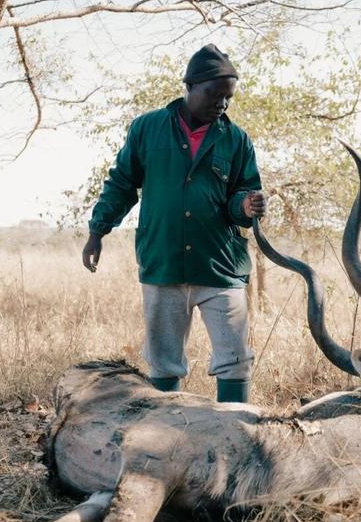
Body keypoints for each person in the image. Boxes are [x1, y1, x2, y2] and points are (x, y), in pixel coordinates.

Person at [81, 44, 267, 403]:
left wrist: (245, 204)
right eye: (215, 95)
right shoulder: (147, 128)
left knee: (235, 360)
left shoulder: (237, 139)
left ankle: (236, 435)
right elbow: (121, 184)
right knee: (164, 363)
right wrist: (97, 230)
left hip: (220, 267)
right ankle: (164, 440)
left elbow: (240, 198)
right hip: (163, 262)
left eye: (228, 98)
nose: (222, 105)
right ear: (190, 85)